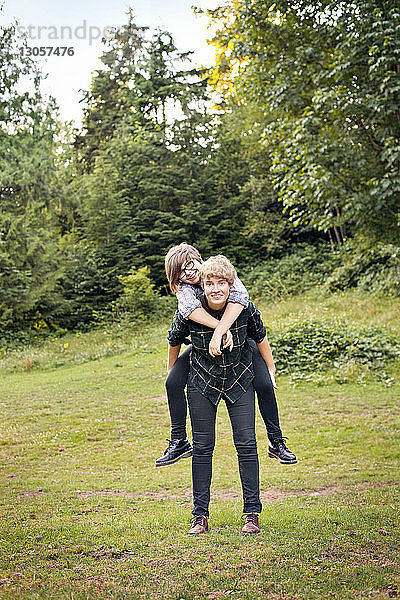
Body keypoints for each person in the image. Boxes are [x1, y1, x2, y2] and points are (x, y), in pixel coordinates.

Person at [156, 243, 297, 467]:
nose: (188, 272)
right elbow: (184, 319)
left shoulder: (220, 271)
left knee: (264, 385)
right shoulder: (185, 290)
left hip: (242, 342)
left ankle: (276, 441)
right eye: (181, 271)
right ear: (176, 277)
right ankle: (179, 441)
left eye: (190, 265)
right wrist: (219, 330)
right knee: (172, 382)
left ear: (199, 259)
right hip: (202, 346)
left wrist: (271, 369)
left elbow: (243, 300)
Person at [167, 255, 267, 534]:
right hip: (201, 383)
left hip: (239, 381)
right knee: (202, 447)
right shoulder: (188, 307)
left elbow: (260, 335)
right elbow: (174, 339)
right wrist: (172, 374)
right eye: (209, 283)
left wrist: (270, 369)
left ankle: (252, 514)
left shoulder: (242, 305)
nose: (214, 287)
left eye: (220, 282)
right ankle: (199, 516)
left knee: (246, 443)